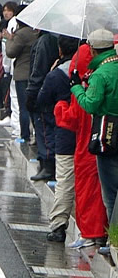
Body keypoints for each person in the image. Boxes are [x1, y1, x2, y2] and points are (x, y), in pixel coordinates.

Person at [51, 43, 108, 246]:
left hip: (86, 145)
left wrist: (60, 106)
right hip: (106, 141)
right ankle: (103, 233)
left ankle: (90, 234)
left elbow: (72, 118)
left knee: (86, 190)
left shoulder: (84, 87)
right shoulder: (105, 76)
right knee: (105, 193)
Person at [70, 28, 118, 255]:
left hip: (108, 135)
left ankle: (113, 241)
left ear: (93, 48)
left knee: (110, 193)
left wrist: (77, 87)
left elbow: (90, 104)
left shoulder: (101, 74)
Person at [36, 35, 80, 243]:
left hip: (65, 133)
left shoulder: (57, 74)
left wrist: (53, 69)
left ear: (60, 50)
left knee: (64, 180)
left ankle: (59, 226)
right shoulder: (90, 70)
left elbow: (42, 99)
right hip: (90, 132)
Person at [27, 30, 60, 180]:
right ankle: (46, 163)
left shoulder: (45, 41)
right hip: (53, 90)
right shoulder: (53, 40)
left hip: (43, 91)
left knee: (44, 128)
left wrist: (32, 93)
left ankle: (47, 165)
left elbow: (38, 70)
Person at [5, 11, 38, 143]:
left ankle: (25, 135)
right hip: (34, 73)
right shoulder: (36, 33)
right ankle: (36, 134)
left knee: (23, 106)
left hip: (22, 74)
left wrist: (9, 39)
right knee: (33, 106)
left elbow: (11, 52)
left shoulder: (22, 34)